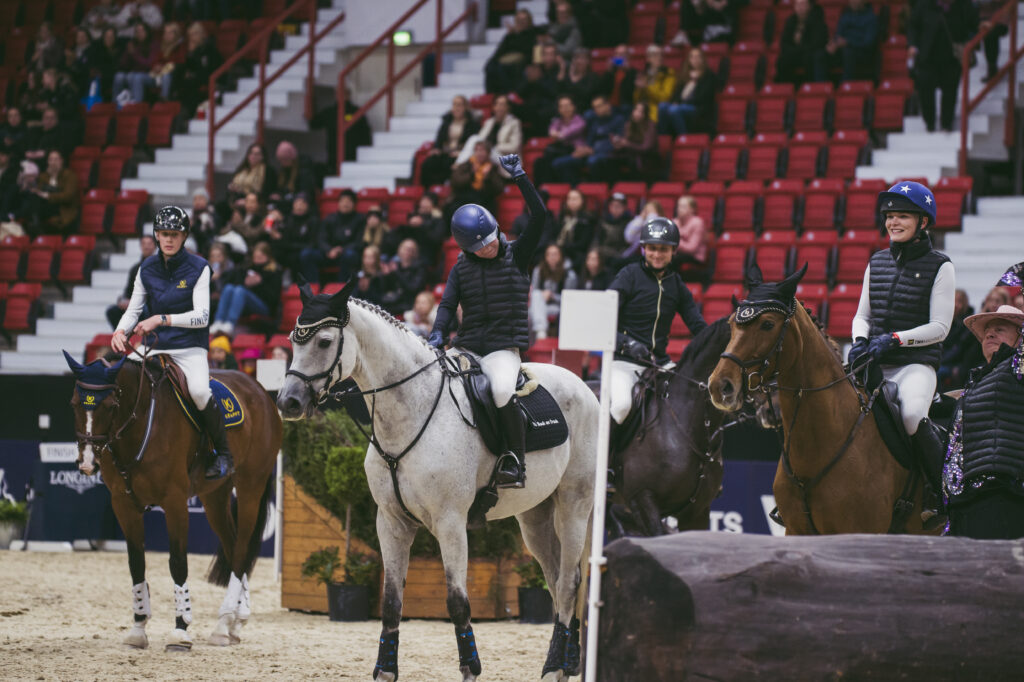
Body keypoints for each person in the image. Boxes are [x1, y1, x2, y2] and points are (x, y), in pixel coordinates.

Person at [428, 154, 546, 489]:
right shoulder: (460, 269)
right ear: (466, 248)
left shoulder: (517, 255)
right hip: (466, 347)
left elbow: (540, 216)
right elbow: (448, 304)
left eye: (492, 237)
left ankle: (515, 461)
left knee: (501, 389)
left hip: (502, 350)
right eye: (481, 246)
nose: (490, 246)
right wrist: (438, 332)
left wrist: (520, 177)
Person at [847, 181, 955, 503]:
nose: (893, 222)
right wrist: (859, 341)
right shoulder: (876, 261)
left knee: (910, 416)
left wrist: (895, 340)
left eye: (903, 216)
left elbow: (940, 327)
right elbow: (861, 315)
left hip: (915, 366)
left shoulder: (941, 266)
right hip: (873, 361)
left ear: (923, 222)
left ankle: (941, 494)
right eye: (889, 215)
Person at [111, 206, 233, 479]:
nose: (169, 239)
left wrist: (160, 319)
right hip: (153, 346)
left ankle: (223, 454)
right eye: (164, 234)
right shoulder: (146, 268)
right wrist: (120, 331)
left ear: (184, 236)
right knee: (117, 379)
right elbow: (133, 309)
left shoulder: (200, 267)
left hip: (189, 348)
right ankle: (111, 448)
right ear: (156, 235)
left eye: (174, 234)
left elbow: (202, 317)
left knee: (201, 392)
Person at [608, 218, 707, 424]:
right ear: (643, 249)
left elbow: (697, 324)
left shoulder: (676, 284)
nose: (657, 254)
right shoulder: (629, 275)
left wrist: (720, 340)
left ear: (673, 252)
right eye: (652, 248)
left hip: (660, 364)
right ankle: (606, 456)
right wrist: (628, 344)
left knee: (691, 402)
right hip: (623, 363)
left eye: (664, 249)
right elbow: (603, 317)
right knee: (621, 406)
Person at [943, 305, 1024, 539]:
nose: (989, 334)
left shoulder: (1017, 367)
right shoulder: (975, 379)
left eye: (999, 329)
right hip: (965, 502)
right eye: (987, 331)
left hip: (1002, 495)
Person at [908, 0, 978, 132]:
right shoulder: (924, 5)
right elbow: (913, 26)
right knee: (926, 92)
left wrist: (969, 42)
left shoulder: (963, 5)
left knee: (950, 92)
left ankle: (947, 124)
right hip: (927, 56)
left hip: (952, 57)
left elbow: (973, 26)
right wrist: (913, 45)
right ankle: (930, 123)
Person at [209, 242, 283, 336]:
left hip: (265, 306)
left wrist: (259, 284)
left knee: (240, 290)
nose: (257, 260)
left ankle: (230, 323)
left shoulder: (274, 272)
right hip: (245, 303)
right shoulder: (248, 268)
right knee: (229, 288)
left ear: (267, 257)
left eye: (260, 257)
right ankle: (218, 321)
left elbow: (273, 298)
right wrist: (246, 283)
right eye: (255, 257)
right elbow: (236, 283)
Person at [551, 94, 624, 184]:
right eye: (595, 107)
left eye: (599, 106)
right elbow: (590, 139)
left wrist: (593, 150)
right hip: (590, 153)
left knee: (592, 161)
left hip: (609, 154)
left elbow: (618, 142)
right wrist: (584, 149)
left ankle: (598, 188)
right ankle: (575, 188)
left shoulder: (618, 120)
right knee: (558, 163)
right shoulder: (595, 121)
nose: (597, 109)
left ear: (607, 105)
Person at [300, 189, 365, 285]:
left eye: (349, 201)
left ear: (354, 204)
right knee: (306, 254)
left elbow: (359, 242)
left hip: (346, 253)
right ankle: (313, 288)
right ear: (338, 203)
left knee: (350, 255)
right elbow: (321, 239)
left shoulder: (360, 219)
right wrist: (329, 250)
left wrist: (341, 250)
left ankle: (342, 288)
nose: (345, 204)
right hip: (329, 254)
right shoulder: (330, 218)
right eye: (343, 201)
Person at [420, 95, 480, 188]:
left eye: (459, 105)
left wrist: (460, 153)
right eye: (454, 105)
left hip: (460, 154)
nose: (456, 108)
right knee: (428, 163)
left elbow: (473, 143)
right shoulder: (446, 122)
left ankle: (444, 188)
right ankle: (427, 190)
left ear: (465, 107)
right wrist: (436, 148)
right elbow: (439, 139)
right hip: (445, 152)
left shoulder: (472, 124)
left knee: (449, 163)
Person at [657, 48, 717, 136]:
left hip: (697, 108)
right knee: (662, 106)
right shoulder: (685, 75)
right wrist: (675, 102)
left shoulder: (709, 75)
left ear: (703, 59)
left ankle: (684, 138)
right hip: (682, 105)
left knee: (674, 110)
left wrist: (695, 81)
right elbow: (677, 93)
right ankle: (664, 137)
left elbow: (704, 97)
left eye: (697, 57)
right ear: (689, 60)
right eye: (692, 57)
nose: (695, 60)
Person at [172, 22, 222, 117]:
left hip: (208, 79)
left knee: (189, 83)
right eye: (190, 35)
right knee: (177, 71)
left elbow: (208, 70)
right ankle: (174, 103)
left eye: (195, 34)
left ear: (203, 34)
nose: (192, 37)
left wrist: (192, 72)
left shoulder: (210, 49)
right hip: (195, 80)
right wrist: (191, 54)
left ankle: (187, 113)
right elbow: (187, 67)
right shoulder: (192, 50)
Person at [107, 234, 158, 329]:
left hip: (150, 305)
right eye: (144, 244)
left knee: (146, 310)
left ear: (155, 246)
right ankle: (122, 336)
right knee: (112, 311)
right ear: (140, 246)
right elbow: (128, 290)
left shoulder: (160, 267)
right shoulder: (135, 269)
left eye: (149, 244)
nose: (146, 246)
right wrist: (123, 301)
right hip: (135, 304)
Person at [533, 95, 586, 185]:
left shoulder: (580, 121)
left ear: (573, 107)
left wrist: (558, 134)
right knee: (540, 162)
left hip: (576, 152)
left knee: (559, 163)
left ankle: (571, 188)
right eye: (562, 106)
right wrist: (558, 134)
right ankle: (543, 190)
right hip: (562, 151)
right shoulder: (558, 121)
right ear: (559, 109)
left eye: (568, 105)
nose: (565, 109)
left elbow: (566, 134)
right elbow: (551, 132)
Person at [456, 94, 522, 167]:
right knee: (474, 139)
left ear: (508, 107)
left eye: (502, 104)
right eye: (497, 104)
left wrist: (494, 146)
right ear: (493, 107)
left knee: (477, 145)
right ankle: (459, 165)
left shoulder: (514, 123)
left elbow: (514, 146)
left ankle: (459, 165)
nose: (499, 107)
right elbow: (480, 139)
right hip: (488, 153)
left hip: (504, 156)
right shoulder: (489, 122)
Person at [529, 244, 579, 340]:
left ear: (561, 256)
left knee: (534, 312)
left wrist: (552, 296)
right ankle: (540, 332)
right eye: (549, 254)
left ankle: (541, 333)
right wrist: (542, 295)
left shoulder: (569, 274)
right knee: (534, 298)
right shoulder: (538, 270)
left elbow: (570, 299)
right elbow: (534, 293)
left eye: (555, 254)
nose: (552, 257)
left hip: (559, 307)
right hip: (540, 306)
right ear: (545, 257)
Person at [938, 289, 984, 390]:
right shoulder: (945, 321)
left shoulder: (967, 324)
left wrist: (941, 360)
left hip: (958, 365)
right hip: (947, 361)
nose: (955, 305)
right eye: (953, 301)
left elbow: (958, 350)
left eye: (959, 301)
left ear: (965, 304)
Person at [485, 9, 539, 94]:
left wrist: (518, 34)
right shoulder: (510, 36)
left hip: (523, 62)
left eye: (524, 19)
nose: (521, 22)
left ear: (529, 21)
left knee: (504, 68)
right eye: (519, 20)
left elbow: (529, 52)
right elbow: (499, 51)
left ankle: (508, 94)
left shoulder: (533, 34)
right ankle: (490, 95)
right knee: (490, 66)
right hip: (506, 61)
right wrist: (492, 61)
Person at [776, 0, 830, 85]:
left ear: (809, 6)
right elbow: (784, 43)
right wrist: (794, 50)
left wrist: (799, 47)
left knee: (810, 58)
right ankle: (784, 89)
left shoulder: (817, 20)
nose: (800, 8)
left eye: (802, 4)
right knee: (782, 60)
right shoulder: (790, 21)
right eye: (797, 5)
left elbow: (817, 43)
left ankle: (808, 89)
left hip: (809, 54)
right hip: (795, 53)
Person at [448, 140, 505, 218]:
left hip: (484, 199)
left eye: (482, 150)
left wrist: (487, 177)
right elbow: (455, 182)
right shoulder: (466, 165)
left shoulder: (493, 168)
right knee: (451, 208)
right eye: (477, 150)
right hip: (464, 198)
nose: (479, 153)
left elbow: (498, 189)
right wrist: (472, 174)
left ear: (488, 153)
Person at [827, 0, 879, 82]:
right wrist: (834, 43)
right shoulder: (845, 16)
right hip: (842, 50)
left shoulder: (871, 18)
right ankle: (820, 88)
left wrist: (848, 42)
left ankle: (845, 86)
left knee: (848, 53)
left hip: (862, 53)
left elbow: (868, 43)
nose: (853, 2)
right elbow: (838, 34)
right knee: (821, 54)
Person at [611, 102, 659, 181]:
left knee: (632, 161)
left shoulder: (651, 126)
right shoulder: (628, 125)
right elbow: (626, 143)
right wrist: (619, 144)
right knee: (610, 160)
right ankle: (614, 187)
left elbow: (646, 148)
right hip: (631, 155)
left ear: (645, 114)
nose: (637, 113)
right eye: (636, 110)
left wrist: (627, 144)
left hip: (647, 158)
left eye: (640, 111)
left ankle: (635, 187)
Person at [35, 150, 79, 234]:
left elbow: (67, 196)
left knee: (37, 206)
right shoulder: (44, 176)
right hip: (45, 207)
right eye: (50, 160)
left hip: (62, 208)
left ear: (61, 161)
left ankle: (34, 222)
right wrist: (51, 176)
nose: (53, 163)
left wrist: (48, 195)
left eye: (56, 160)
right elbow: (39, 192)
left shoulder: (70, 175)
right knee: (33, 199)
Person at [552, 188, 596, 268]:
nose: (571, 201)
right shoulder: (562, 217)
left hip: (576, 253)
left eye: (575, 199)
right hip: (560, 250)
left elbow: (583, 243)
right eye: (569, 199)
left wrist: (565, 247)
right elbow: (555, 236)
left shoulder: (587, 219)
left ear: (582, 201)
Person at [633, 44, 677, 122]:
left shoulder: (668, 73)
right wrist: (639, 89)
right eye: (655, 55)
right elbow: (636, 100)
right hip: (643, 110)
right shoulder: (644, 74)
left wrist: (647, 87)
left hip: (658, 110)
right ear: (648, 58)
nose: (659, 57)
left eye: (661, 55)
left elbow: (665, 98)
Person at [558, 48, 602, 114]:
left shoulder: (593, 77)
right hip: (567, 111)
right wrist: (562, 71)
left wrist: (574, 80)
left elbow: (586, 95)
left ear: (588, 61)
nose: (579, 61)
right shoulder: (567, 76)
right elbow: (561, 93)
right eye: (576, 58)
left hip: (586, 110)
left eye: (583, 59)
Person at [600, 45, 637, 114]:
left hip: (625, 106)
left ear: (628, 56)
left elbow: (630, 94)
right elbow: (603, 90)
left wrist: (627, 71)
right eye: (617, 54)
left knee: (625, 108)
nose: (619, 56)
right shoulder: (611, 72)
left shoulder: (633, 72)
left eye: (622, 54)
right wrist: (608, 71)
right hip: (609, 105)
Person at [672, 195, 707, 264]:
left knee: (673, 260)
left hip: (695, 258)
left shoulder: (698, 223)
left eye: (683, 207)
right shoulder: (674, 222)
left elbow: (692, 248)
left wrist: (676, 242)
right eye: (678, 206)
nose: (679, 209)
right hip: (679, 254)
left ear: (692, 209)